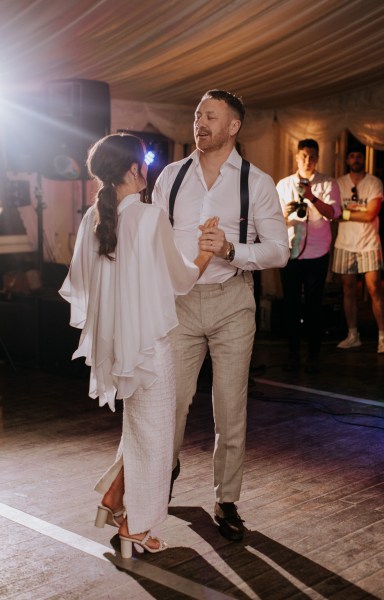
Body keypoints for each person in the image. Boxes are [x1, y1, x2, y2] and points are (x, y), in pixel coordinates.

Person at [59, 133, 217, 557]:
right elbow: (182, 281)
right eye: (144, 161)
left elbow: (79, 284)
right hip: (149, 346)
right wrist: (205, 250)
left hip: (115, 345)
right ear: (134, 169)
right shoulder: (150, 217)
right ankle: (136, 525)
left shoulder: (94, 217)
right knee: (156, 437)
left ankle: (113, 498)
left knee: (141, 428)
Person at [152, 89, 289, 541]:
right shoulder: (170, 177)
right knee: (169, 402)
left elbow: (279, 252)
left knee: (230, 408)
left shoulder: (257, 183)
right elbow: (154, 243)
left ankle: (227, 500)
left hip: (233, 301)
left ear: (233, 127)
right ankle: (160, 475)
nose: (200, 122)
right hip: (181, 303)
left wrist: (231, 249)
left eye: (211, 116)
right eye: (196, 115)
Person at [276, 139, 341, 373]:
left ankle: (314, 353)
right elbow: (271, 220)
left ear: (318, 158)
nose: (308, 161)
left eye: (312, 156)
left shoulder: (327, 183)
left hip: (317, 252)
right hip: (290, 252)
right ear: (296, 157)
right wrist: (283, 213)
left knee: (314, 304)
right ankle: (292, 352)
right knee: (291, 304)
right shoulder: (283, 185)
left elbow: (334, 213)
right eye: (304, 156)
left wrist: (312, 197)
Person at [333, 144, 384, 354]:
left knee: (375, 288)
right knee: (348, 290)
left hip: (368, 243)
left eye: (359, 155)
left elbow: (370, 215)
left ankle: (383, 338)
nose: (356, 159)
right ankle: (353, 335)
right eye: (352, 156)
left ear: (363, 159)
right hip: (344, 244)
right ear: (348, 160)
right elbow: (333, 213)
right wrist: (354, 211)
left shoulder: (374, 182)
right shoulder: (339, 183)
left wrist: (347, 212)